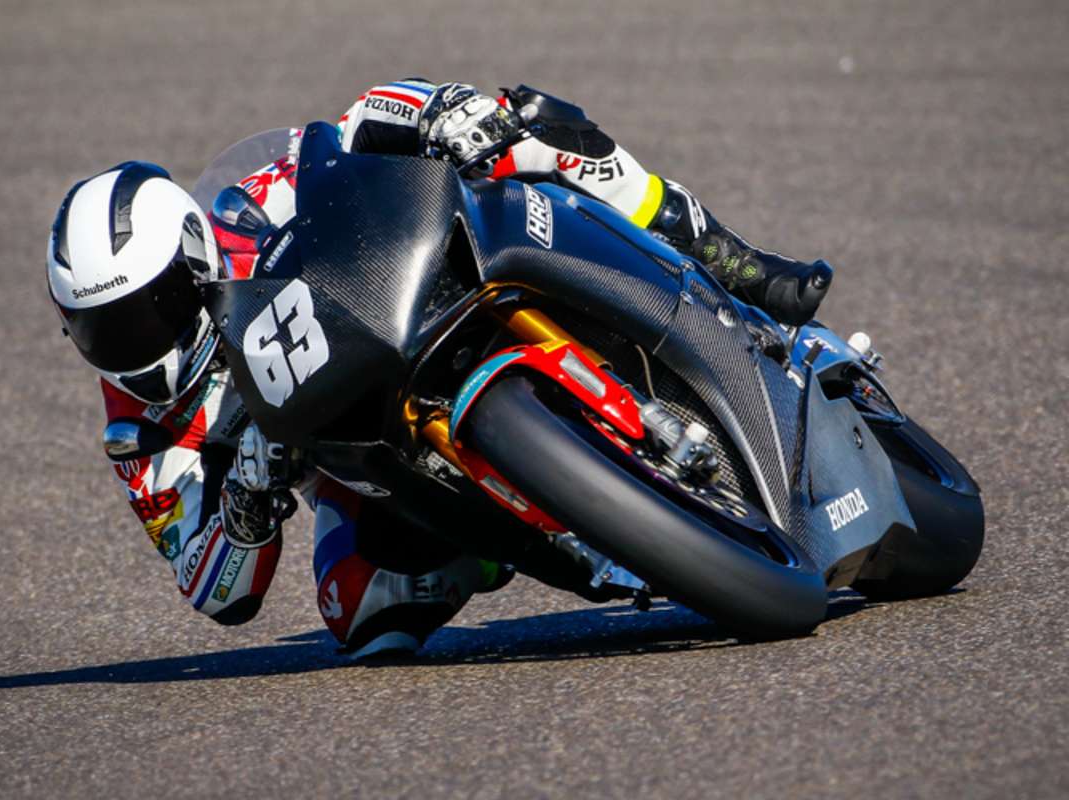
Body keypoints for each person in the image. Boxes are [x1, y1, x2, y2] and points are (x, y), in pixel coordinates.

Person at [46, 79, 833, 658]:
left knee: (533, 126)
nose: (128, 344)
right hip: (369, 452)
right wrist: (248, 498)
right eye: (99, 332)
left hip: (428, 283)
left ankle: (735, 265)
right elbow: (216, 588)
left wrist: (436, 106)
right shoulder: (139, 430)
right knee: (360, 616)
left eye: (144, 312)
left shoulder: (250, 207)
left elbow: (347, 128)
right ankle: (505, 528)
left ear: (192, 258)